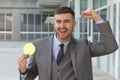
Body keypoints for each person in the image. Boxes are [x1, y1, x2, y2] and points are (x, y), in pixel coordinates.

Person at [18, 6, 118, 80]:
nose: (62, 26)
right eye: (58, 21)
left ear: (74, 24)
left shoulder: (84, 46)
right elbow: (30, 75)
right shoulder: (39, 45)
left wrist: (98, 19)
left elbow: (111, 47)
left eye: (66, 21)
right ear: (54, 23)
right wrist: (23, 71)